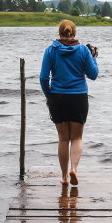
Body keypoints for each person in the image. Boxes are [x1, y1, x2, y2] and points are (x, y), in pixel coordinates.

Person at [40, 19, 99, 186]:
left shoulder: (50, 51)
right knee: (77, 138)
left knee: (63, 139)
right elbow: (93, 75)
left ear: (59, 33)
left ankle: (65, 177)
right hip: (78, 97)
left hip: (57, 98)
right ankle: (74, 168)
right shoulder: (83, 51)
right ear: (74, 33)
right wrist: (93, 57)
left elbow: (44, 78)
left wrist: (49, 96)